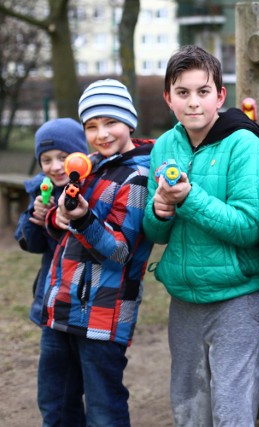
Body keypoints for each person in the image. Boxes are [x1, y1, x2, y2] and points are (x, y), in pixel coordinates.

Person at [143, 45, 259, 426]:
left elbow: (249, 228)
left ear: (220, 95)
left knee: (231, 411)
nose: (193, 102)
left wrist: (189, 198)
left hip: (237, 294)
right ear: (168, 98)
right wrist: (160, 210)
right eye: (182, 93)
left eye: (203, 91)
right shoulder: (165, 145)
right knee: (189, 407)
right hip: (184, 296)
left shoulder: (244, 144)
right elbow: (157, 233)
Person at [40, 79, 154, 426]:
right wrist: (58, 216)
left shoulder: (138, 175)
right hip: (61, 308)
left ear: (129, 123)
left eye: (110, 123)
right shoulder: (87, 165)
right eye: (91, 126)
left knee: (104, 412)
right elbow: (63, 226)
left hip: (102, 316)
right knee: (55, 404)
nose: (101, 134)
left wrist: (84, 218)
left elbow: (120, 251)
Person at [14, 117, 89, 426]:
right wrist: (35, 217)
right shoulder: (39, 193)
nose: (55, 166)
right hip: (51, 307)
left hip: (86, 307)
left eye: (62, 157)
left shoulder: (89, 190)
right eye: (46, 159)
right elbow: (31, 245)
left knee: (91, 389)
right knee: (53, 392)